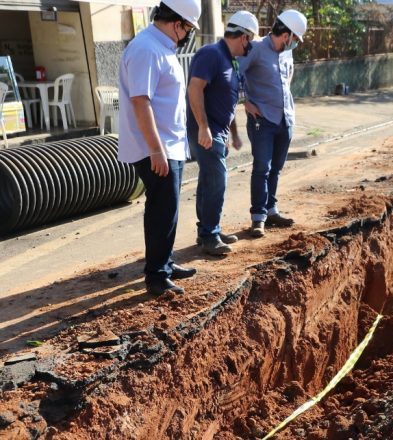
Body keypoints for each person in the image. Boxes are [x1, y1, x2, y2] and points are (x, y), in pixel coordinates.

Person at [117, 0, 201, 295]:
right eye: (189, 28)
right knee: (161, 209)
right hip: (155, 147)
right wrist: (155, 149)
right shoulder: (146, 49)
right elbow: (140, 101)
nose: (188, 34)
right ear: (177, 23)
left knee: (169, 208)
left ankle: (164, 262)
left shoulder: (161, 46)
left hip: (169, 144)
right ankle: (156, 277)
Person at [187, 11, 259, 255]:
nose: (250, 46)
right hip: (205, 131)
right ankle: (209, 235)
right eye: (251, 40)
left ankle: (209, 230)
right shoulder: (211, 54)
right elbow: (194, 89)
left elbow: (229, 101)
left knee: (209, 180)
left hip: (218, 131)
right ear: (244, 37)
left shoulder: (230, 59)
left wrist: (234, 133)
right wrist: (204, 128)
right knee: (218, 180)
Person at [238, 9, 308, 238]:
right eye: (295, 38)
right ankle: (258, 218)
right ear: (286, 33)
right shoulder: (256, 49)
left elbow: (288, 77)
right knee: (262, 168)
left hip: (285, 118)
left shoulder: (287, 53)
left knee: (276, 168)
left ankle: (271, 210)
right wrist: (245, 102)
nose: (296, 43)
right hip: (262, 121)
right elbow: (233, 73)